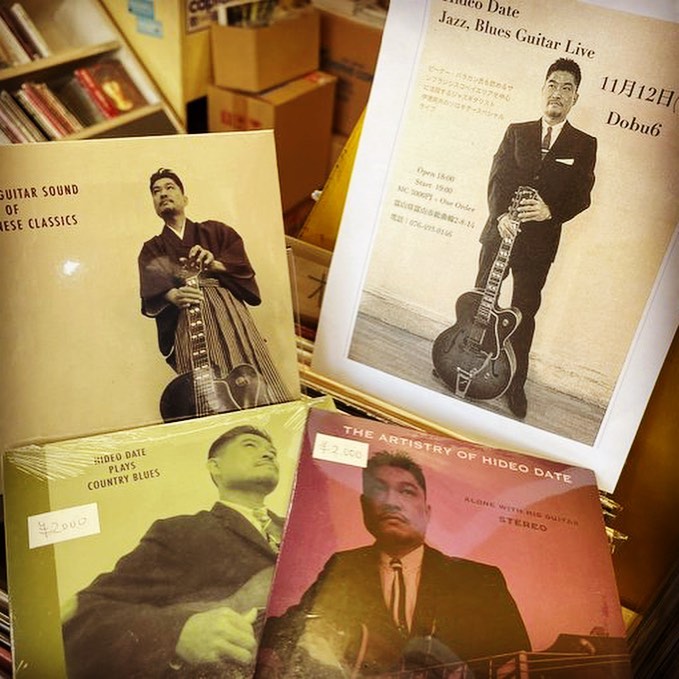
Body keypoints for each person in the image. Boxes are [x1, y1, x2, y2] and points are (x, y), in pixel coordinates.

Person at [256, 451, 530, 677]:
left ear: (427, 512)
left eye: (407, 492)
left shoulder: (481, 579)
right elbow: (294, 624)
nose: (391, 502)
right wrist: (271, 652)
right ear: (364, 509)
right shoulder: (344, 564)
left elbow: (519, 664)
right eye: (378, 491)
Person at [62, 425, 284, 678]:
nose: (268, 454)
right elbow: (84, 613)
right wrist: (177, 633)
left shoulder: (304, 525)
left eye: (273, 451)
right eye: (250, 445)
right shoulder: (181, 531)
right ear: (215, 467)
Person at [474, 58, 597, 419]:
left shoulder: (585, 143)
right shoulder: (517, 131)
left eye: (567, 87)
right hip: (499, 234)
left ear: (575, 97)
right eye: (552, 84)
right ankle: (464, 360)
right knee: (481, 301)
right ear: (543, 89)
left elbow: (582, 195)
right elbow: (497, 178)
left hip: (538, 246)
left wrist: (550, 212)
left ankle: (515, 384)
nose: (557, 93)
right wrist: (500, 217)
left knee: (523, 313)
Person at [138, 168, 292, 420]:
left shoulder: (216, 231)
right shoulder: (152, 248)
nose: (163, 194)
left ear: (185, 198)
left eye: (169, 187)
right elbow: (152, 283)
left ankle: (272, 422)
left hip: (228, 312)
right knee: (203, 386)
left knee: (246, 366)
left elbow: (242, 268)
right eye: (156, 192)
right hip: (187, 319)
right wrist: (173, 295)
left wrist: (214, 264)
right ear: (154, 204)